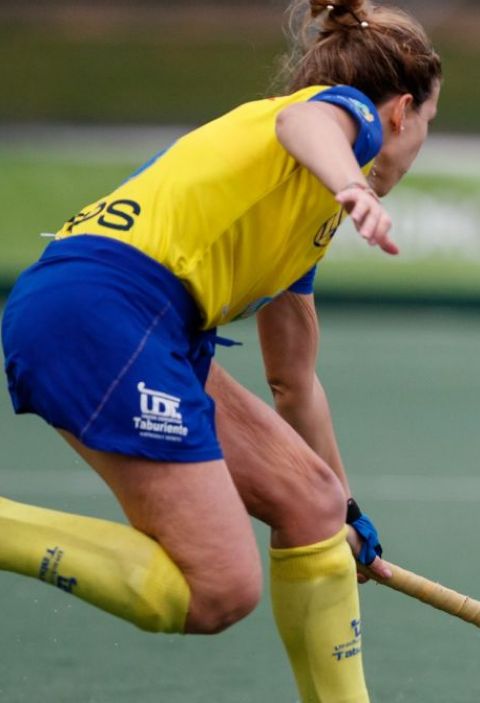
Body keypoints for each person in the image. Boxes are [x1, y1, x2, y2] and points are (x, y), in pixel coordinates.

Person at [0, 1, 439, 699]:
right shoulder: (333, 118)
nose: (419, 147)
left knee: (312, 503)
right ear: (402, 110)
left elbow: (294, 381)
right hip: (104, 307)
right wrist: (354, 186)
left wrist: (350, 513)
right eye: (428, 128)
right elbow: (304, 121)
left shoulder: (301, 213)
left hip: (145, 323)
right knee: (219, 588)